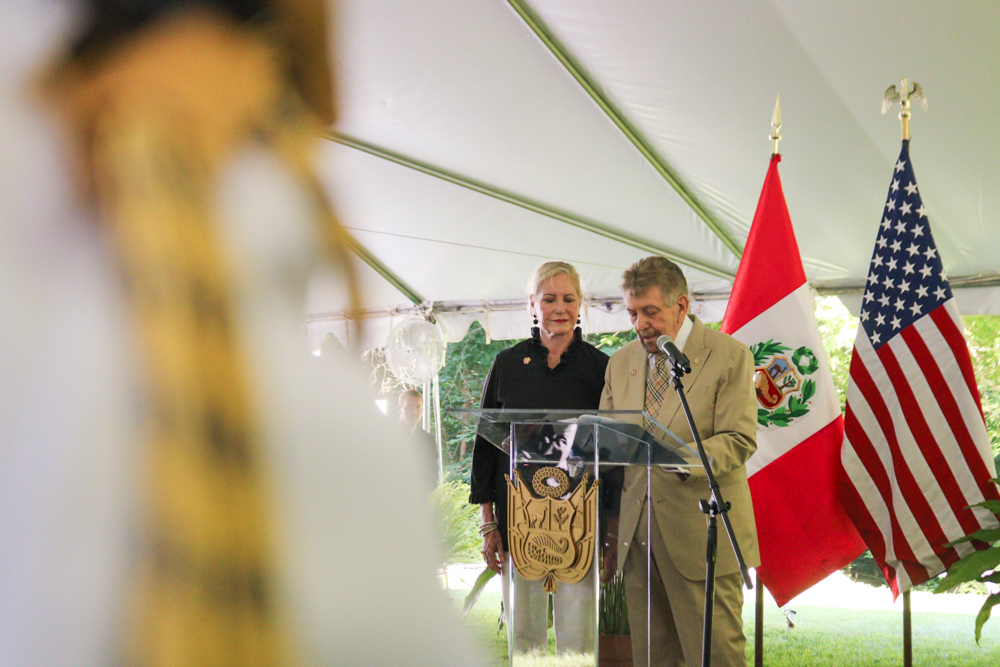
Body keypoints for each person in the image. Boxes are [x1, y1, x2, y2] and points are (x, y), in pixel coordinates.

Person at [599, 256, 759, 667]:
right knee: (653, 658)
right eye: (633, 313)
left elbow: (739, 439)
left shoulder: (729, 355)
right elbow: (608, 437)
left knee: (716, 656)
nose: (641, 324)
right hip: (639, 539)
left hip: (701, 535)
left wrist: (678, 458)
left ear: (681, 305)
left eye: (650, 311)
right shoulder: (621, 362)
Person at [469, 261, 609, 656]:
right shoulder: (506, 364)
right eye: (549, 299)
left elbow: (612, 451)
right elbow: (485, 449)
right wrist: (489, 523)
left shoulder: (601, 368)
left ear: (580, 304)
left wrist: (611, 528)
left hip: (578, 521)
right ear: (532, 304)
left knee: (578, 640)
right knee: (524, 636)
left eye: (568, 299)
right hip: (518, 520)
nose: (559, 308)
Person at [398, 388, 440, 487]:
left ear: (422, 411)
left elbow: (432, 477)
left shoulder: (428, 440)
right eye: (410, 406)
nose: (414, 411)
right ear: (399, 409)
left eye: (418, 407)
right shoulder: (384, 435)